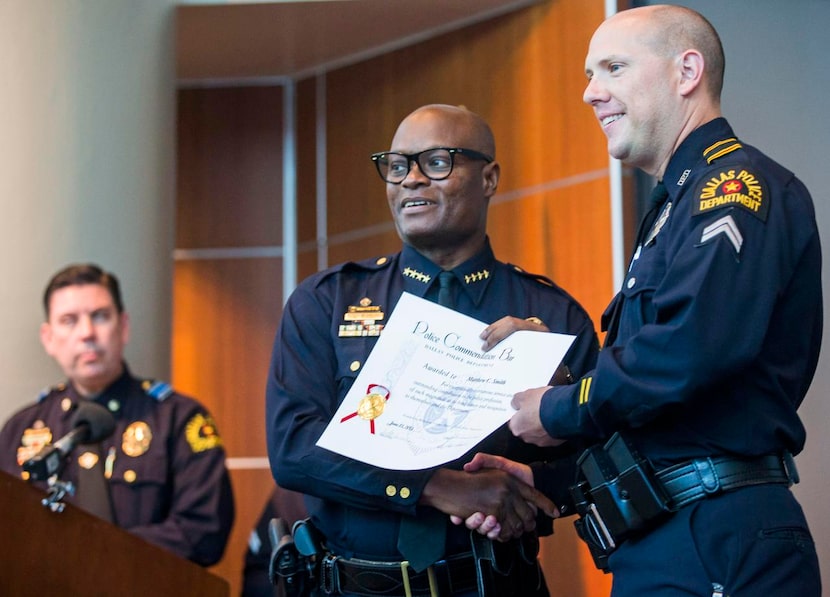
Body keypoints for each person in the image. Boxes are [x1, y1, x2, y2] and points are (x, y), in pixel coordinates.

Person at [506, 5, 822, 596]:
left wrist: (557, 409)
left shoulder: (733, 188)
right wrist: (544, 481)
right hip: (674, 532)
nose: (590, 94)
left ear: (687, 72)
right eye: (588, 74)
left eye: (613, 68)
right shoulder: (676, 204)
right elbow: (665, 423)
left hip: (715, 535)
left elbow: (687, 352)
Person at [265, 103, 599, 597]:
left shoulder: (550, 316)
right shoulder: (327, 300)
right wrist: (438, 486)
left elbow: (605, 461)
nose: (411, 180)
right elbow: (294, 449)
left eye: (437, 162)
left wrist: (528, 482)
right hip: (355, 586)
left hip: (496, 583)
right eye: (397, 166)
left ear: (488, 178)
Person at [0, 263, 235, 566]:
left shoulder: (178, 419)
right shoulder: (20, 431)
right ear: (48, 338)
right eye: (69, 321)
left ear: (123, 326)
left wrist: (97, 555)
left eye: (99, 316)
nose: (87, 333)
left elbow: (205, 532)